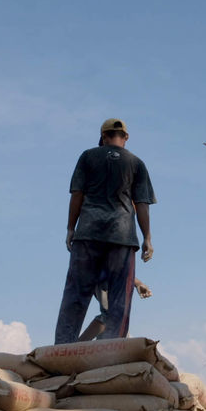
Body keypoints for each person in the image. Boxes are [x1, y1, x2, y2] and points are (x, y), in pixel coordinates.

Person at [55, 118, 155, 343]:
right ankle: (112, 351)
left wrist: (71, 228)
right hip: (122, 237)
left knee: (76, 295)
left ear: (103, 137)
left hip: (88, 233)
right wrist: (147, 237)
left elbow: (77, 195)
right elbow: (142, 204)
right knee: (119, 299)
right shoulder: (137, 163)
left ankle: (62, 349)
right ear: (126, 138)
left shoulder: (88, 156)